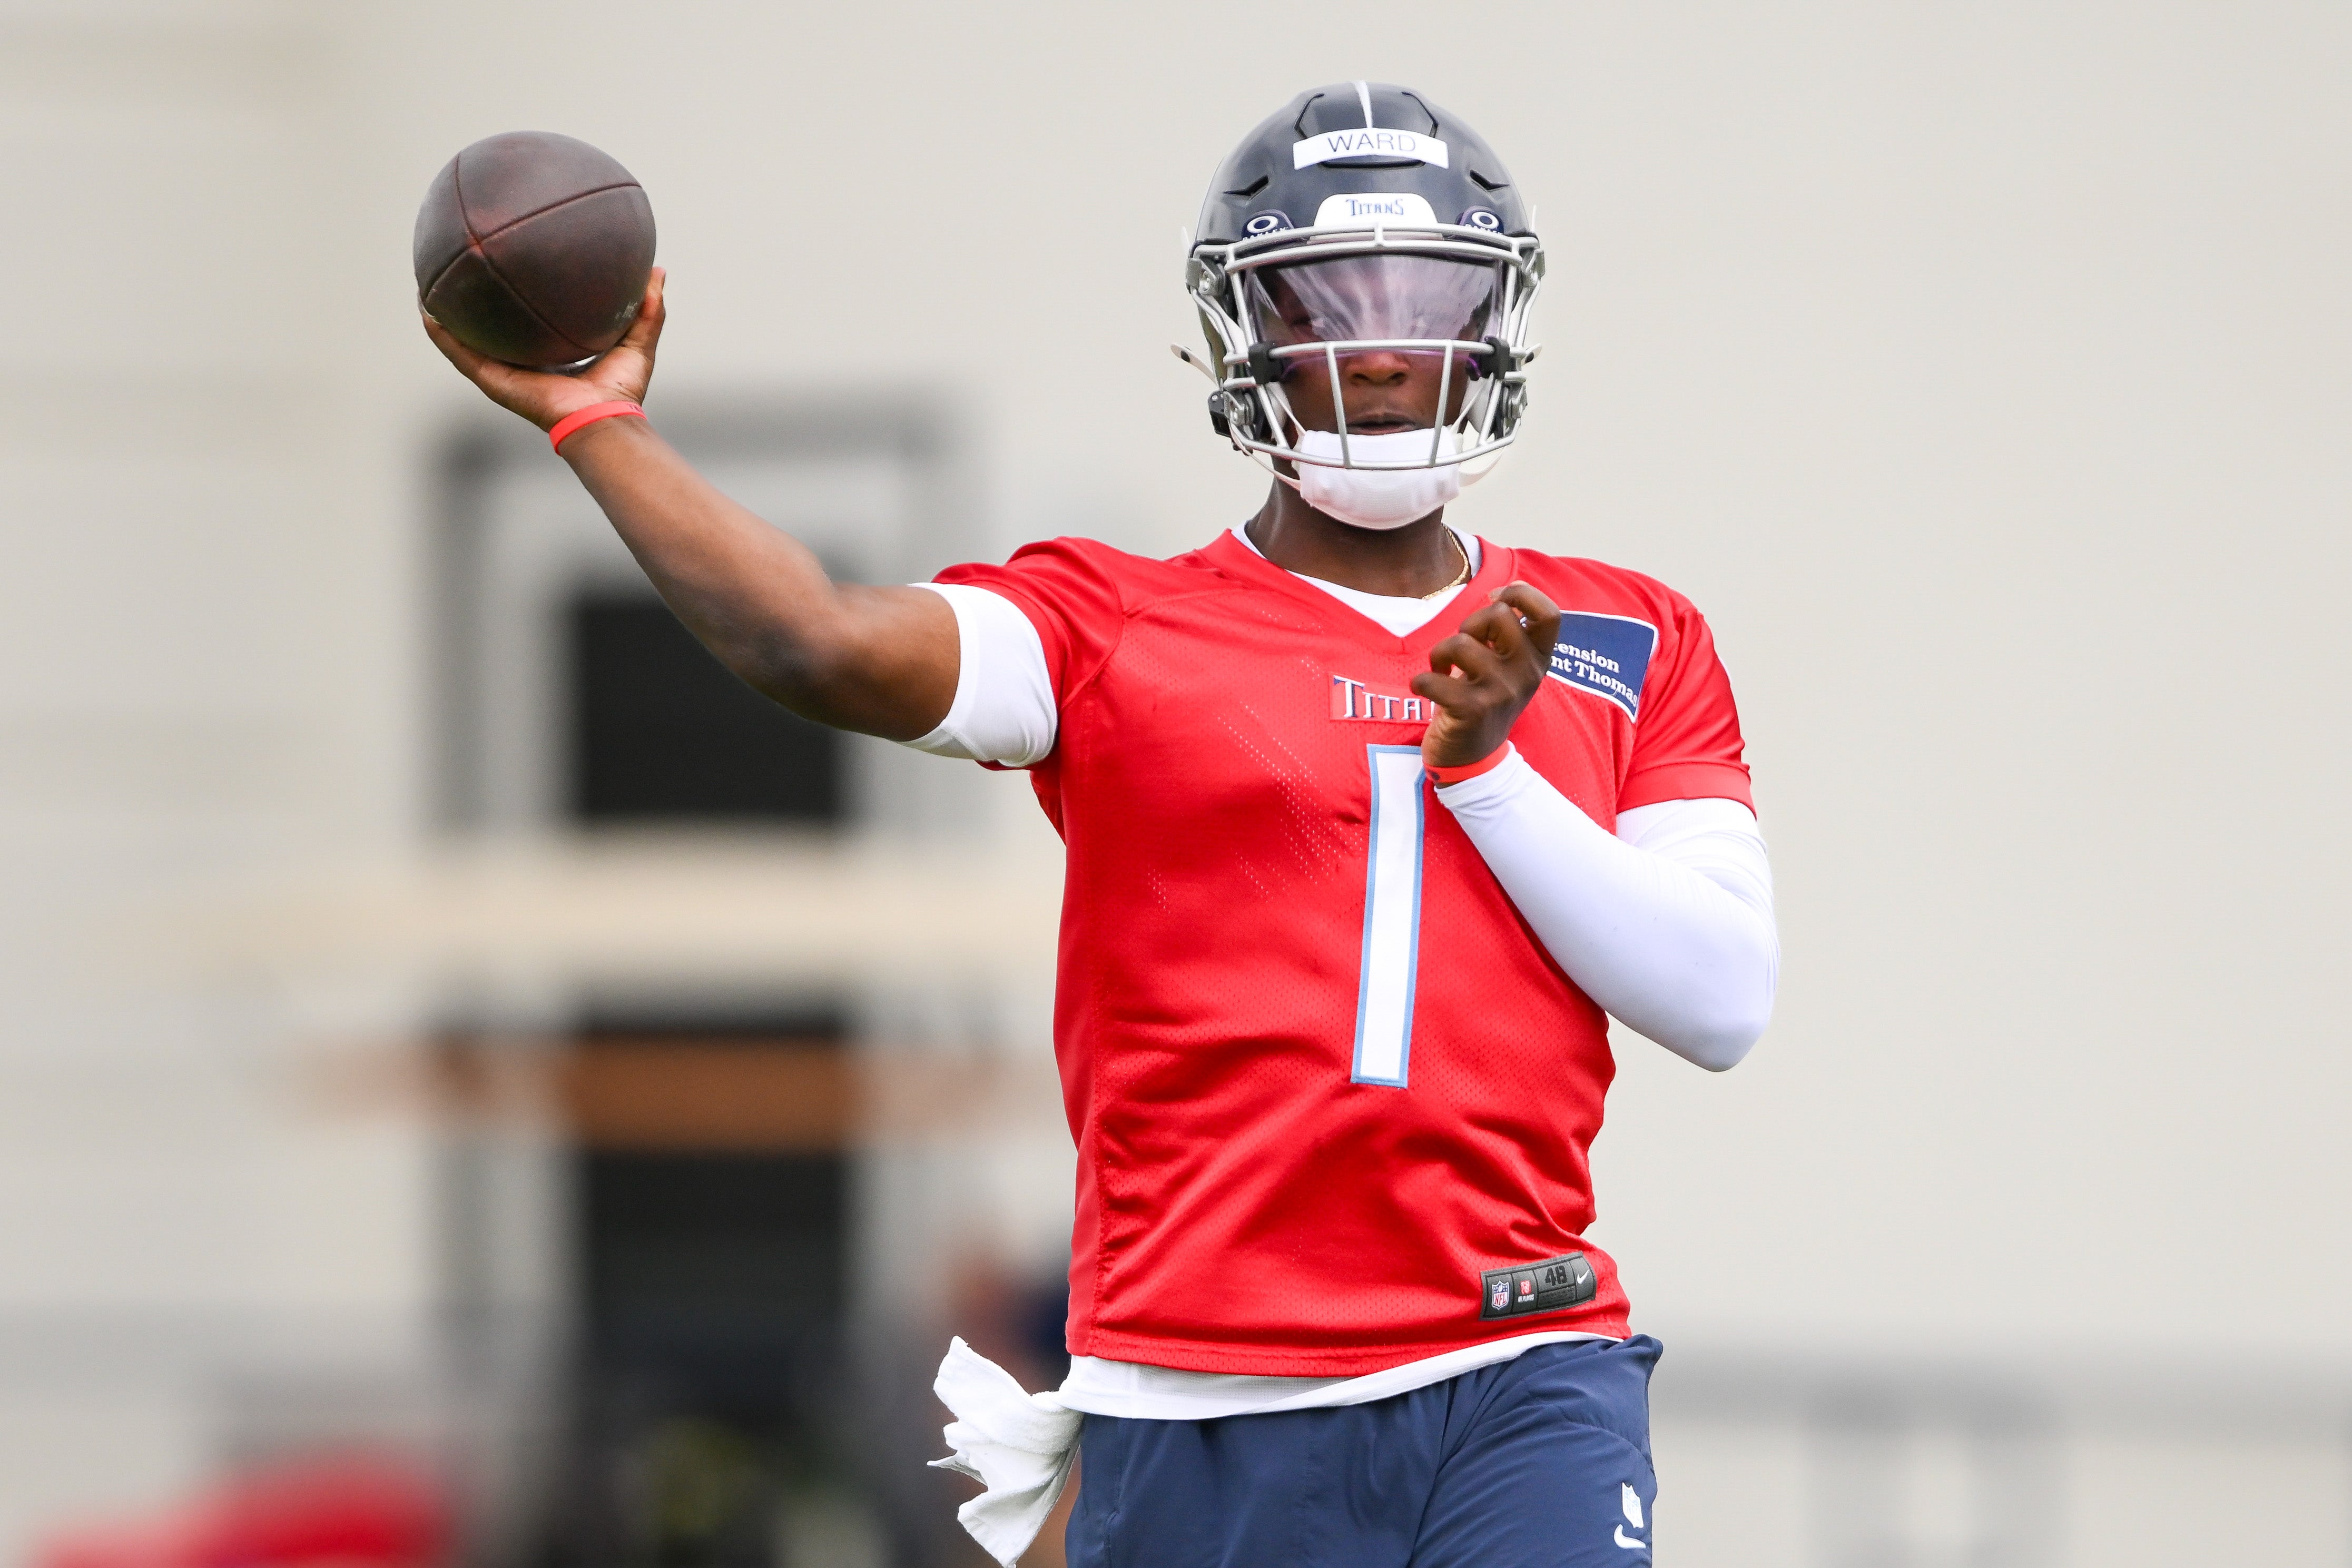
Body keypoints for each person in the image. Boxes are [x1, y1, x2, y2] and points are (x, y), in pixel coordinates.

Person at [426, 81, 1777, 1568]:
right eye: (1329, 296)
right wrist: (601, 424)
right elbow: (815, 639)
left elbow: (1717, 998)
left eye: (1432, 294)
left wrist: (1488, 774)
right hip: (1204, 1391)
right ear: (1237, 331)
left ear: (1500, 315)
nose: (1386, 347)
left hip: (1523, 1364)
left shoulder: (1623, 631)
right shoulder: (1110, 625)